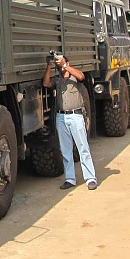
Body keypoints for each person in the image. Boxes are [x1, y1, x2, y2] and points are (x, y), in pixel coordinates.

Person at [43, 53, 98, 190]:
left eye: (61, 63)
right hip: (61, 117)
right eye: (59, 65)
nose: (60, 66)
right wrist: (49, 66)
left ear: (68, 63)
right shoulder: (57, 80)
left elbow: (81, 76)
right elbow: (46, 83)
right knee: (65, 150)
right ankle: (70, 178)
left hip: (76, 116)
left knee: (83, 148)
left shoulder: (75, 77)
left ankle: (90, 178)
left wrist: (65, 65)